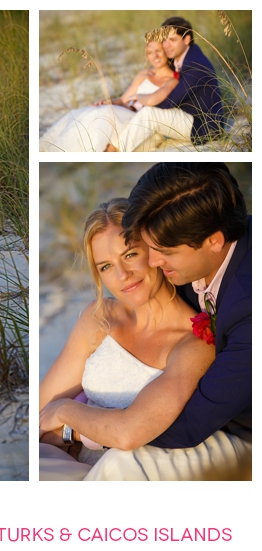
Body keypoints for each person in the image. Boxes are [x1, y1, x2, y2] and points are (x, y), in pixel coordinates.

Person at [39, 163, 251, 481]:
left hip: (228, 439)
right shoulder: (100, 317)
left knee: (117, 468)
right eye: (106, 266)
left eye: (131, 255)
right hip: (78, 455)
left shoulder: (209, 331)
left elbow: (181, 426)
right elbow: (40, 414)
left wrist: (73, 425)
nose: (149, 263)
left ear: (214, 241)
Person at [108, 17, 225, 152]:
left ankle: (113, 150)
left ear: (186, 40)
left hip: (203, 127)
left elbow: (170, 101)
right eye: (164, 40)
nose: (167, 45)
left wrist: (142, 100)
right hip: (188, 116)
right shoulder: (189, 54)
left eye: (172, 40)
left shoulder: (194, 65)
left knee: (150, 114)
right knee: (148, 136)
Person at [39, 39, 178, 152]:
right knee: (85, 112)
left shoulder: (173, 80)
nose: (155, 56)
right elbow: (124, 99)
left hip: (138, 118)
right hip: (124, 110)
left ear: (166, 51)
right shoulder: (144, 74)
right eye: (150, 52)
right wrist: (108, 101)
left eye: (158, 51)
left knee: (103, 116)